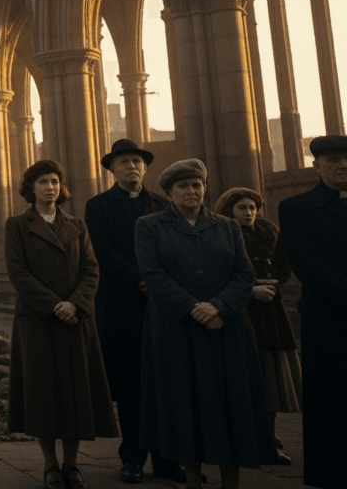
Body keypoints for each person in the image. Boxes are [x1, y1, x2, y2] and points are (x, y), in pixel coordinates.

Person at [135, 159, 274, 489]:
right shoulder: (149, 226)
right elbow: (153, 274)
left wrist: (218, 306)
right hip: (176, 329)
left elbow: (244, 273)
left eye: (196, 185)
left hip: (225, 327)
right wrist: (193, 307)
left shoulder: (227, 227)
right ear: (169, 192)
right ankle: (193, 480)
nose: (191, 191)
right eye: (182, 186)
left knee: (229, 403)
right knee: (184, 403)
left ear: (205, 189)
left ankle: (231, 482)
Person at [5, 159, 119, 489]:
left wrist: (76, 304)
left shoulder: (77, 225)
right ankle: (50, 465)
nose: (50, 187)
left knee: (75, 392)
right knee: (42, 394)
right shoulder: (17, 225)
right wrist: (55, 305)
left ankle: (71, 464)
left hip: (75, 319)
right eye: (43, 182)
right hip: (38, 319)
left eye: (55, 181)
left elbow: (91, 270)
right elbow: (18, 273)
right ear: (31, 188)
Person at [83, 138, 181, 484]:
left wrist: (158, 284)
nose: (132, 167)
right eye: (124, 162)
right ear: (112, 169)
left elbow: (173, 248)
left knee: (165, 385)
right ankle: (133, 458)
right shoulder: (98, 206)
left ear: (146, 168)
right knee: (130, 387)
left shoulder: (161, 204)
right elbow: (102, 251)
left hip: (161, 305)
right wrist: (139, 280)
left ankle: (167, 459)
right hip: (122, 306)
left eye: (137, 162)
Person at [278, 135, 347, 489]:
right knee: (331, 399)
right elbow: (307, 264)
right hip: (328, 316)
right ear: (316, 165)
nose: (343, 165)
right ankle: (330, 474)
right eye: (333, 159)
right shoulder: (297, 208)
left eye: (346, 158)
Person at [214, 187, 299, 466]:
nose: (249, 212)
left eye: (253, 207)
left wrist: (273, 283)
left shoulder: (269, 231)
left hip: (270, 313)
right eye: (242, 208)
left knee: (270, 377)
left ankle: (268, 436)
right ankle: (244, 437)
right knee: (243, 376)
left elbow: (285, 262)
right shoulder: (221, 234)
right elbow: (220, 274)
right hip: (239, 311)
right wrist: (250, 290)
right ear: (229, 210)